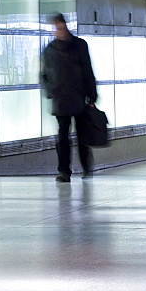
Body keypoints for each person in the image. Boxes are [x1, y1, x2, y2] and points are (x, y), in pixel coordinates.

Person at [41, 13, 98, 183]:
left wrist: (92, 95)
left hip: (78, 98)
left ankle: (86, 168)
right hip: (60, 99)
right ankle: (64, 171)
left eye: (60, 27)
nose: (58, 31)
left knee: (82, 136)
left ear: (65, 26)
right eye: (55, 28)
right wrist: (51, 91)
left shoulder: (80, 45)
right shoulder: (50, 50)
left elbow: (88, 70)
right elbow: (44, 75)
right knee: (63, 138)